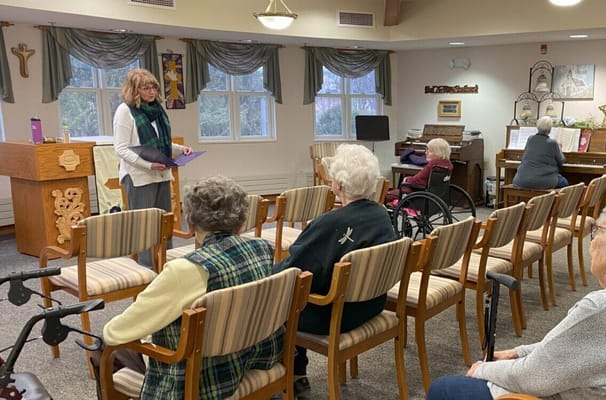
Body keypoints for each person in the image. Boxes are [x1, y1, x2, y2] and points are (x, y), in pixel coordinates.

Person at [427, 199, 606, 399]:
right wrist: (518, 352)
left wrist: (481, 370)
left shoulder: (603, 307)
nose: (592, 242)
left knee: (445, 389)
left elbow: (533, 378)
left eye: (597, 231)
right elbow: (568, 347)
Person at [98, 176, 279, 399]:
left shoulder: (185, 270)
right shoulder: (263, 249)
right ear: (242, 221)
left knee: (103, 347)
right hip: (253, 358)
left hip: (203, 380)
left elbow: (116, 332)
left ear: (190, 224)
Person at [274, 144, 397, 398]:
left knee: (275, 302)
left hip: (335, 316)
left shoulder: (329, 224)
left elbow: (292, 272)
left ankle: (291, 376)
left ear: (338, 185)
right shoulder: (382, 215)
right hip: (372, 303)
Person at [113, 68, 192, 266]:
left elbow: (161, 143)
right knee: (145, 226)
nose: (151, 92)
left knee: (164, 223)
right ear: (134, 90)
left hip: (161, 174)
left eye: (154, 88)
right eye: (145, 88)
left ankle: (166, 264)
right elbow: (121, 149)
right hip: (139, 176)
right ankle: (147, 268)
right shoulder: (125, 111)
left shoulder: (157, 110)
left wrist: (181, 149)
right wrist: (148, 164)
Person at [385, 137, 453, 204]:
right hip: (435, 195)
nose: (426, 153)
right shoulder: (448, 164)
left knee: (387, 195)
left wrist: (407, 179)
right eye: (426, 150)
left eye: (430, 151)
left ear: (438, 152)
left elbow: (417, 180)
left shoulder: (433, 165)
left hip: (419, 194)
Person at [511, 116, 568, 190]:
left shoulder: (530, 139)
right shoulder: (552, 142)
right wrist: (559, 148)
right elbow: (561, 161)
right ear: (550, 129)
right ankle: (548, 201)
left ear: (537, 127)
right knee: (565, 182)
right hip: (542, 182)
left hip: (521, 180)